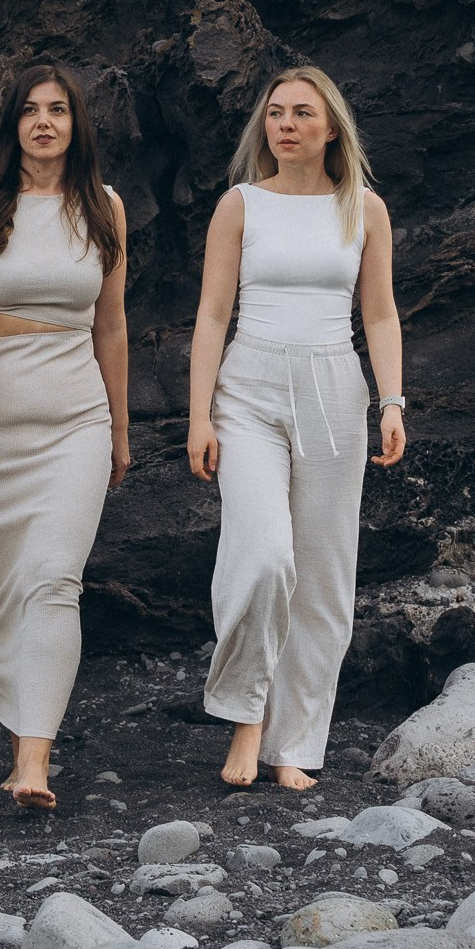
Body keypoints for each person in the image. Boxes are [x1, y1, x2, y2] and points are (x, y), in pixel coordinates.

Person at [186, 63, 405, 789]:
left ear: (331, 127)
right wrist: (198, 415)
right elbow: (213, 315)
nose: (285, 124)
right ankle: (246, 722)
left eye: (302, 113)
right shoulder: (240, 204)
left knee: (322, 576)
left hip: (332, 388)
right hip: (247, 386)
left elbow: (378, 314)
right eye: (275, 113)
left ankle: (295, 747)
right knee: (263, 556)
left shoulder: (363, 209)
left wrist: (392, 402)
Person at [0, 64, 129, 812]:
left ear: (77, 124)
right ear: (12, 123)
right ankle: (19, 724)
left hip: (75, 417)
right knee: (2, 583)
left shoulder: (105, 208)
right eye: (30, 110)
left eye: (58, 110)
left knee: (53, 579)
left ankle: (33, 760)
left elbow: (110, 325)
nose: (43, 121)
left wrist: (116, 429)